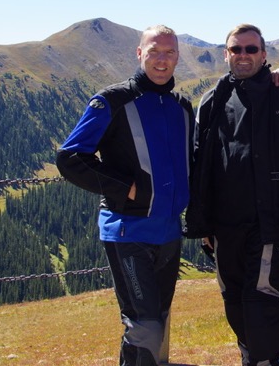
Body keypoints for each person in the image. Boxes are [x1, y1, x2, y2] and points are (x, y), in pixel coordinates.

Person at [184, 23, 279, 366]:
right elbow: (204, 164)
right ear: (226, 54)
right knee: (235, 310)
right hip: (224, 229)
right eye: (236, 49)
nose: (243, 56)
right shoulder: (212, 100)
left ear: (264, 54)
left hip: (270, 225)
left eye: (251, 49)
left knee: (262, 311)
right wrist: (204, 225)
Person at [56, 25, 193, 366]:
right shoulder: (113, 101)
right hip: (127, 229)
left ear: (178, 56)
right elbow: (71, 158)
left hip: (169, 232)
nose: (162, 60)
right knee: (144, 326)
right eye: (154, 52)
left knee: (156, 318)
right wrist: (124, 187)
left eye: (169, 52)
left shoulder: (182, 106)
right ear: (139, 53)